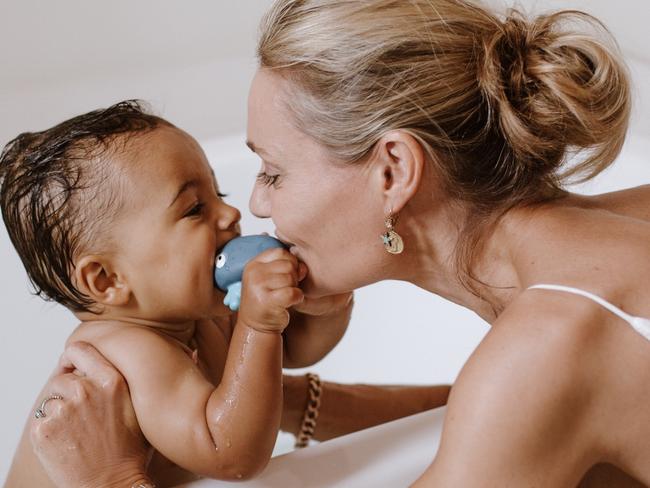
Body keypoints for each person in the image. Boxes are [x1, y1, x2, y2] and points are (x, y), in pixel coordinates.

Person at [26, 0, 650, 486]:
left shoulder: (545, 352)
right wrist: (271, 392)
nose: (255, 206)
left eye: (272, 171)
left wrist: (110, 480)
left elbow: (522, 397)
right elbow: (517, 414)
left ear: (392, 173)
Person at [2, 101, 450, 487]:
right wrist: (259, 323)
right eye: (195, 209)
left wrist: (326, 301)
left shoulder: (190, 309)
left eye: (219, 191)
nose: (231, 212)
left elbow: (295, 351)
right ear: (106, 280)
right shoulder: (126, 353)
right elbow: (229, 453)